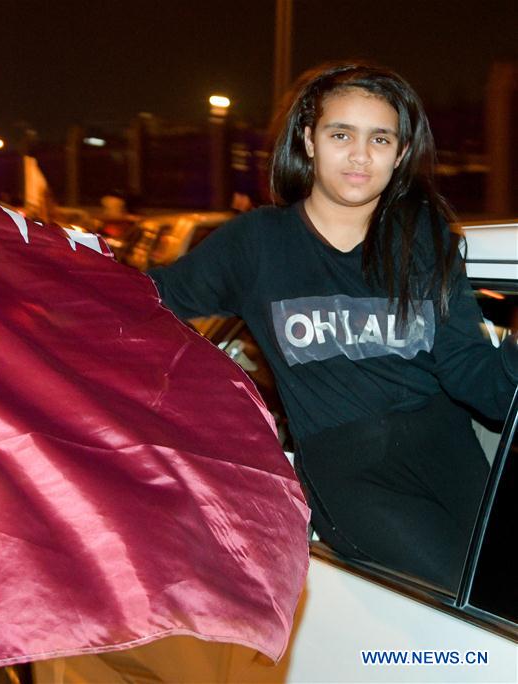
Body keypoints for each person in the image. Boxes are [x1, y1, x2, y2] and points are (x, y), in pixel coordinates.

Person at [148, 63, 518, 591]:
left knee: (506, 593)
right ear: (309, 141)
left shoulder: (423, 237)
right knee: (473, 600)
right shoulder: (257, 244)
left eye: (380, 138)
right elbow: (143, 301)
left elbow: (468, 371)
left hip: (448, 454)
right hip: (354, 477)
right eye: (341, 134)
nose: (361, 155)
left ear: (400, 153)